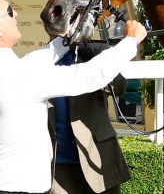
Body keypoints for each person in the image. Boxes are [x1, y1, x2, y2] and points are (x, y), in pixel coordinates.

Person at [0, 0, 147, 194]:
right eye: (10, 12)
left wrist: (66, 37)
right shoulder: (20, 76)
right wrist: (131, 41)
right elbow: (91, 75)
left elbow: (31, 62)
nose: (17, 14)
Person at [50, 42, 130, 194]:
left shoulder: (92, 56)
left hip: (98, 160)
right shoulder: (40, 61)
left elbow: (120, 86)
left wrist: (98, 55)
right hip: (59, 168)